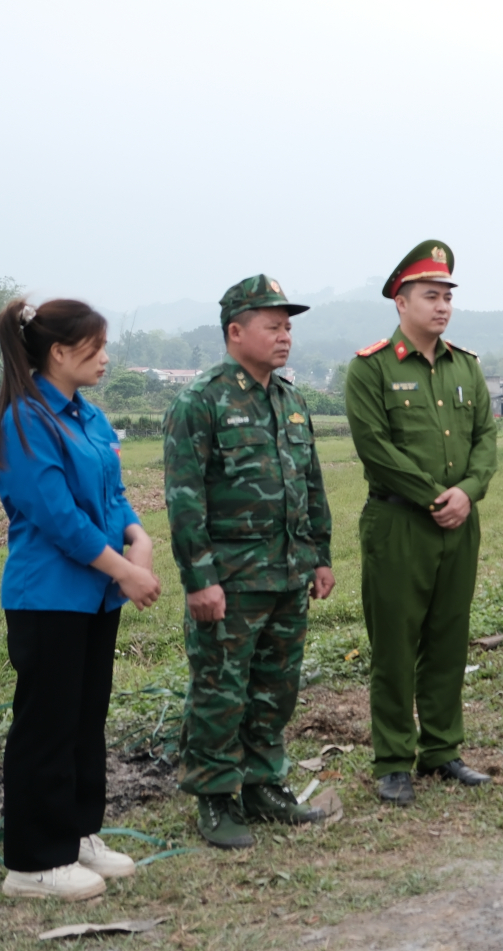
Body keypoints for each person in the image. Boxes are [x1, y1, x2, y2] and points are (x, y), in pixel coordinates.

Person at [0, 298, 159, 900]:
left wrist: (140, 536)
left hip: (95, 597)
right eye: (96, 348)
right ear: (59, 352)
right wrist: (125, 572)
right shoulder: (25, 420)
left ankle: (78, 832)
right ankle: (33, 863)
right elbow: (58, 517)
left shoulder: (89, 416)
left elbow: (113, 497)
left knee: (86, 719)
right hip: (50, 596)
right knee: (47, 725)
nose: (106, 359)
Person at [164, 275, 335, 847]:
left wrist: (320, 556)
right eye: (272, 325)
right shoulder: (201, 401)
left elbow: (310, 485)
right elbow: (184, 500)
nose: (284, 335)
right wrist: (199, 579)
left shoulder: (290, 400)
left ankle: (264, 786)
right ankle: (214, 797)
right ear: (236, 332)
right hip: (231, 582)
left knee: (275, 688)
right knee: (220, 690)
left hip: (288, 574)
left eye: (287, 326)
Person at [344, 241, 499, 805]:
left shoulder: (467, 365)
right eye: (430, 296)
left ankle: (441, 749)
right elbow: (376, 450)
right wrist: (438, 496)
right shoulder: (371, 368)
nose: (442, 306)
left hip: (460, 524)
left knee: (448, 638)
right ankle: (392, 760)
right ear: (400, 302)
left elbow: (487, 440)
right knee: (394, 644)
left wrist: (469, 492)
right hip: (399, 523)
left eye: (447, 297)